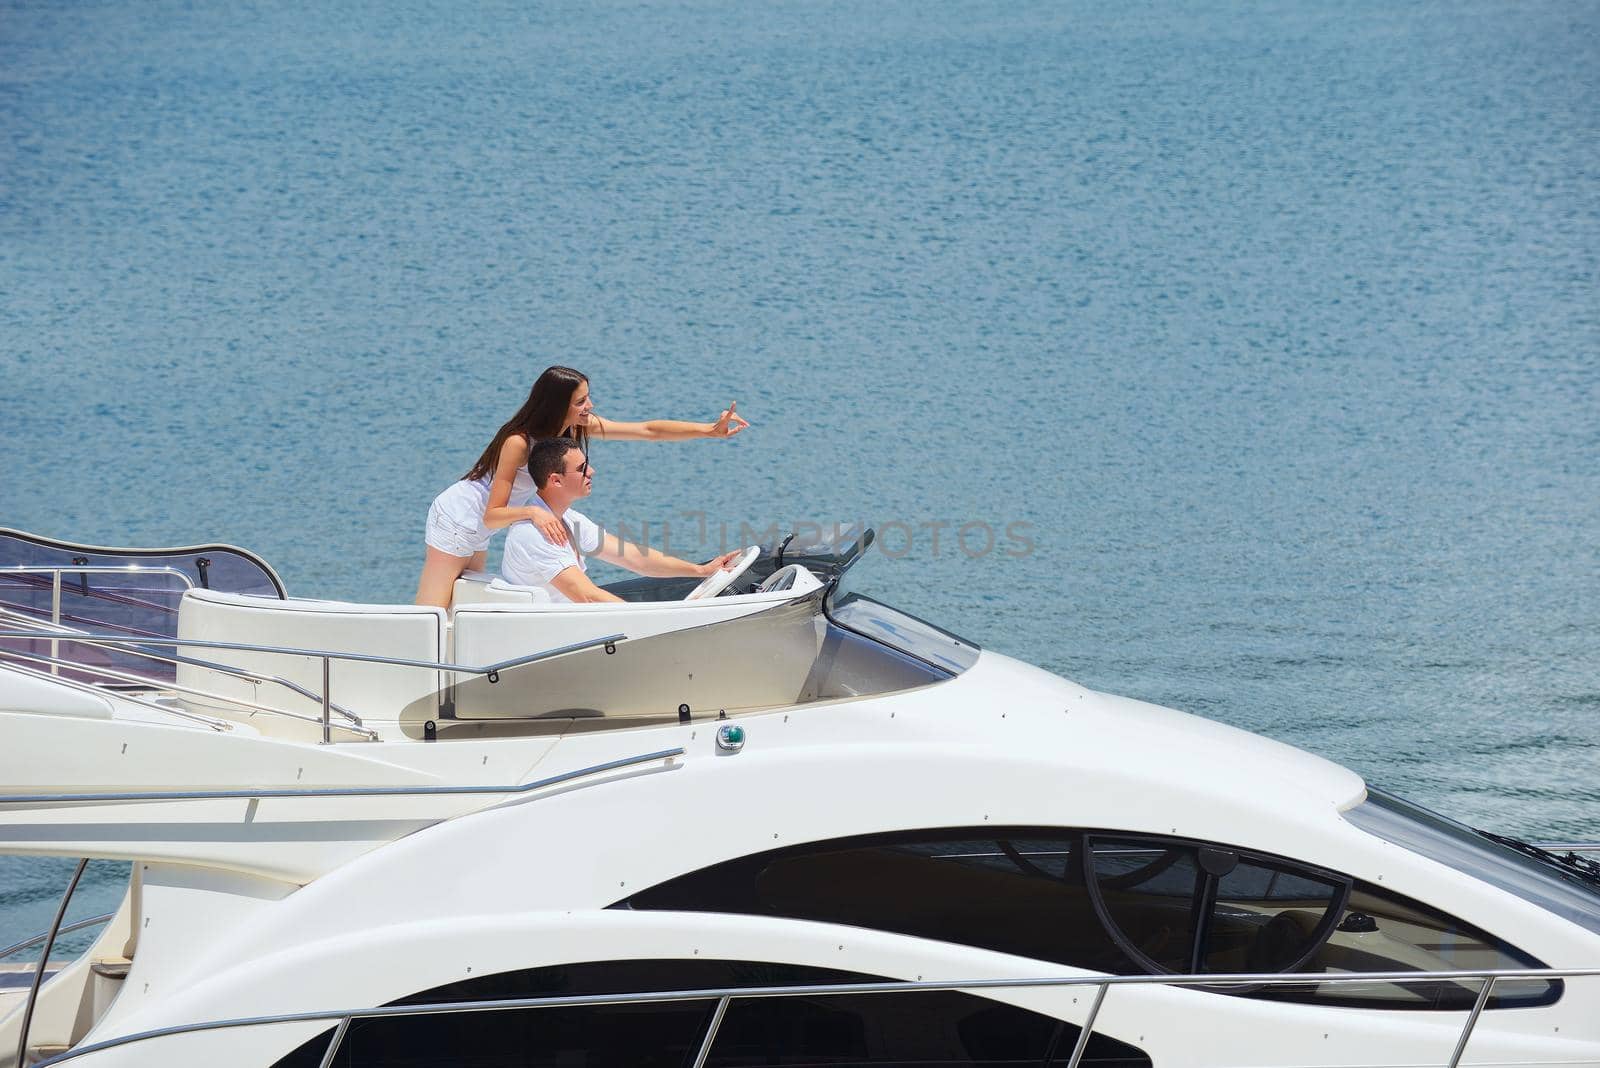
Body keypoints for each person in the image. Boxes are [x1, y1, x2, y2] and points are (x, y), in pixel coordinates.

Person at [416, 366, 749, 607]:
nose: (589, 407)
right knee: (433, 610)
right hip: (459, 519)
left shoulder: (573, 431)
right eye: (580, 402)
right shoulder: (518, 442)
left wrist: (708, 430)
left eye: (588, 399)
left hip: (488, 524)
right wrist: (533, 511)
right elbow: (492, 515)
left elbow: (647, 430)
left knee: (459, 603)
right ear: (557, 405)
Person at [502, 438, 741, 603]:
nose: (592, 471)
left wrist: (701, 570)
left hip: (571, 625)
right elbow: (587, 597)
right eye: (582, 468)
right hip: (550, 640)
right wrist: (653, 621)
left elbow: (635, 558)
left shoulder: (570, 519)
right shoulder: (534, 534)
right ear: (556, 480)